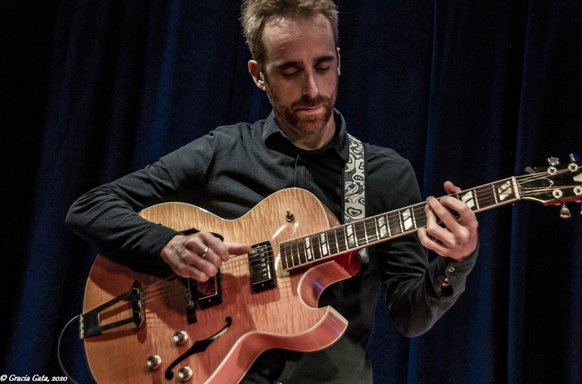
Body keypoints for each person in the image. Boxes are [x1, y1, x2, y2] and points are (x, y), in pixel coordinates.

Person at [66, 0, 479, 382]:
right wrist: (166, 245)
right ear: (257, 74)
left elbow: (410, 317)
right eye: (290, 71)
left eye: (323, 66)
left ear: (340, 62)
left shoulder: (385, 175)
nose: (313, 90)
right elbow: (90, 207)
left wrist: (456, 263)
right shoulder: (221, 152)